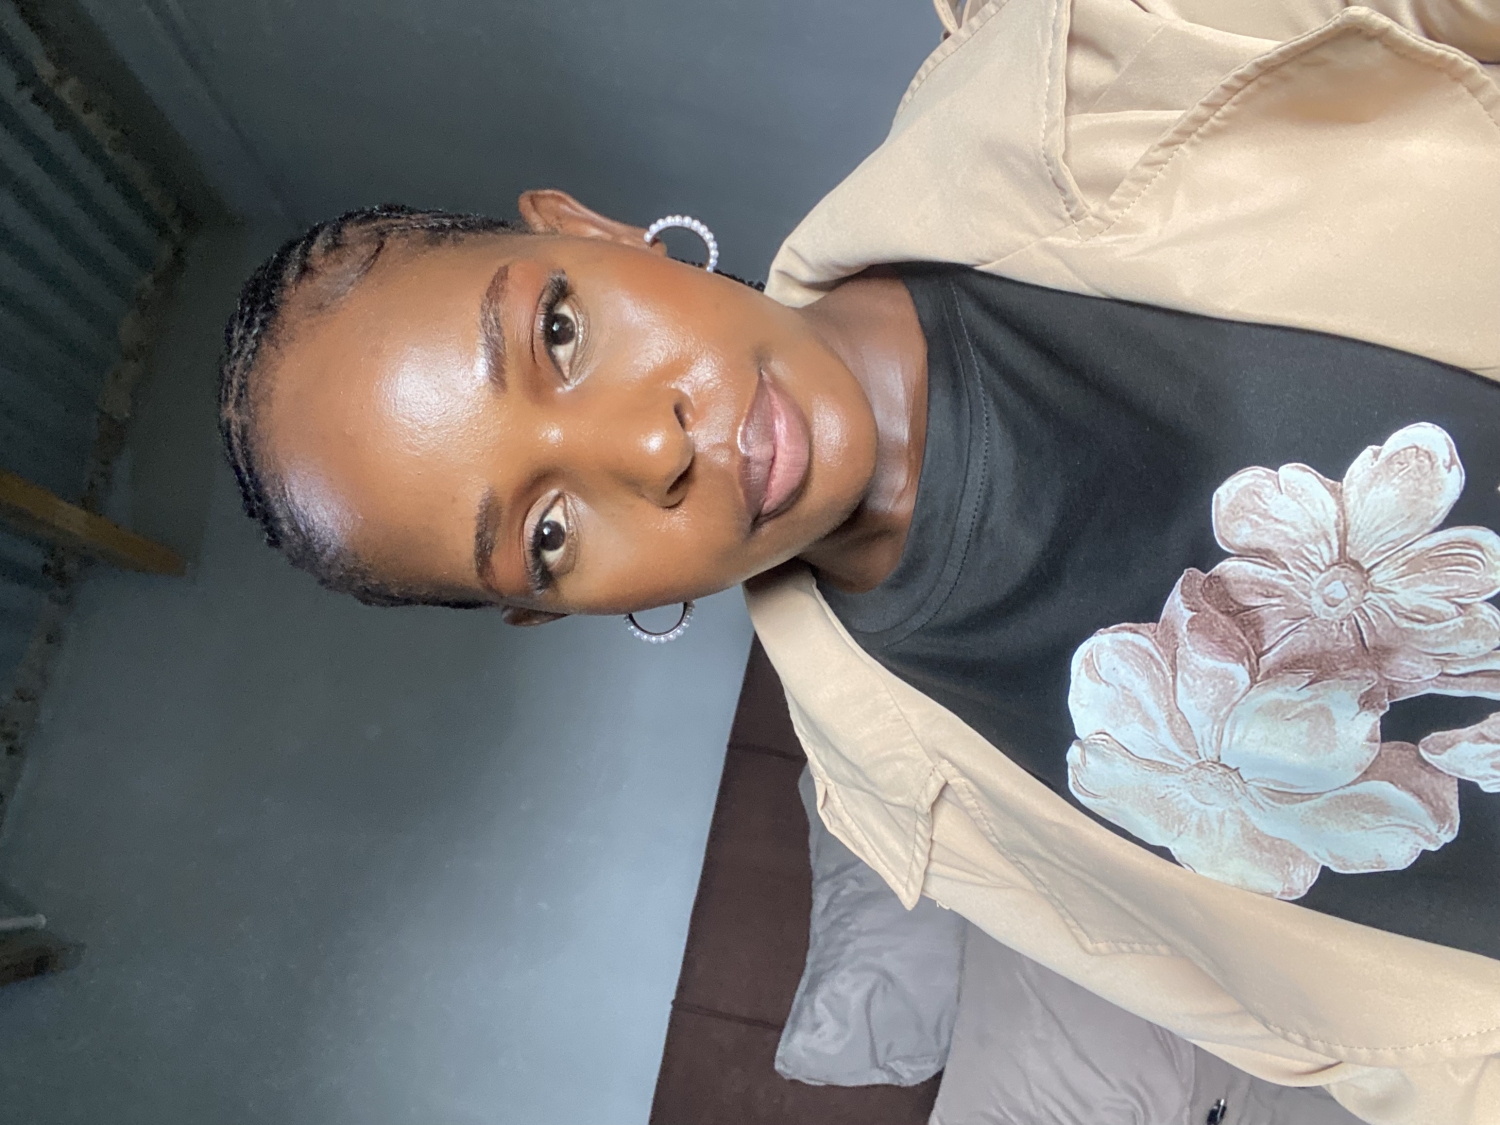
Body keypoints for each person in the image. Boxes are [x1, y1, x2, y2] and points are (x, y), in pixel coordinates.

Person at [216, 1, 1500, 1122]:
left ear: (597, 232)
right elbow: (1350, 1036)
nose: (650, 449)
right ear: (565, 609)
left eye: (559, 333)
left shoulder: (1109, 54)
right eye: (546, 533)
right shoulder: (906, 810)